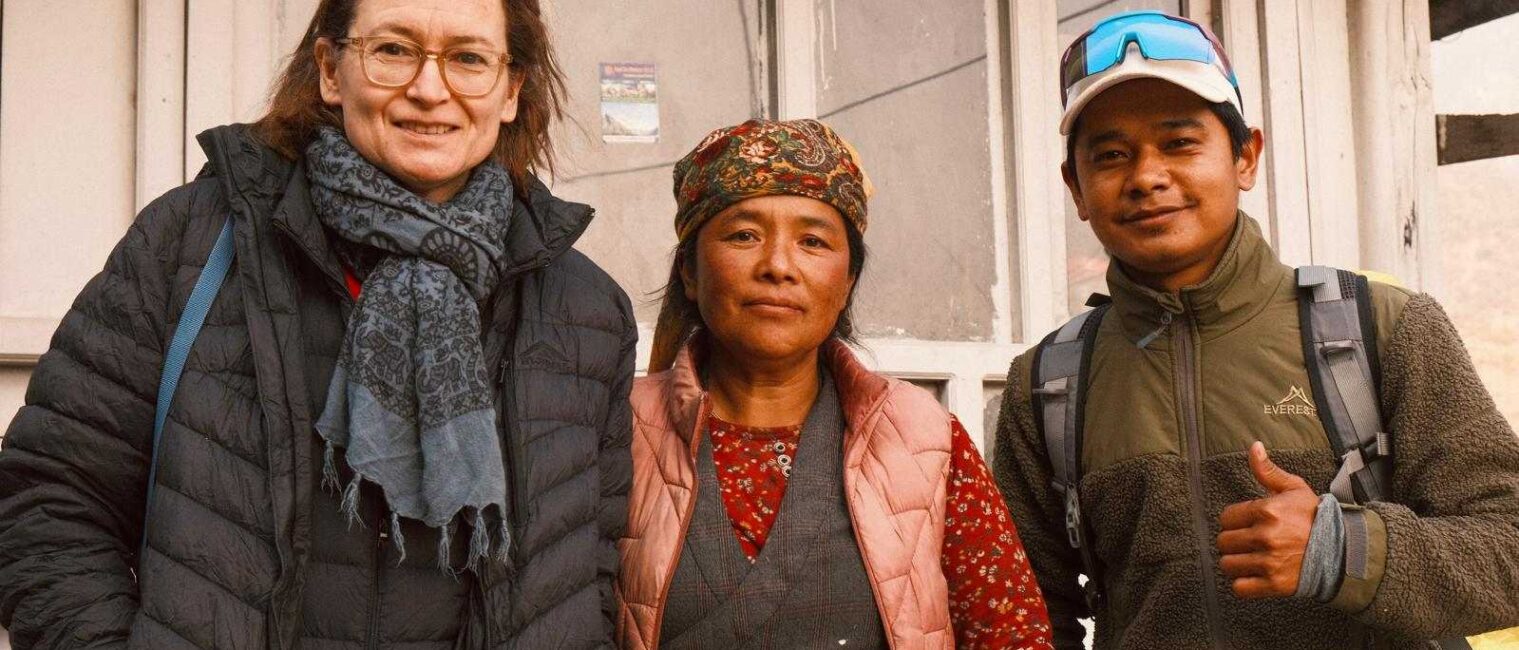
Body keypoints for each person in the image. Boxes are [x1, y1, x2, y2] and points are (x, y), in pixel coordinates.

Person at [0, 0, 635, 647]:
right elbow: (52, 501)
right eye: (393, 50)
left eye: (468, 58)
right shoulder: (189, 247)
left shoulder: (585, 313)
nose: (428, 88)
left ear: (510, 90)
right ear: (331, 70)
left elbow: (591, 578)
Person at [992, 10, 1519, 649]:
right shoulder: (1047, 385)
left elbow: (1508, 546)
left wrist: (1342, 549)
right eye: (1110, 155)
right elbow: (1022, 615)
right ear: (1075, 187)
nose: (1147, 177)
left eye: (1180, 143)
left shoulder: (1380, 329)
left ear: (1246, 157)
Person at [616, 118, 1053, 650]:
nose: (778, 265)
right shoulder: (616, 432)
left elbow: (1011, 633)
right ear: (689, 271)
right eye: (744, 235)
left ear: (847, 282)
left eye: (813, 241)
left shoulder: (923, 440)